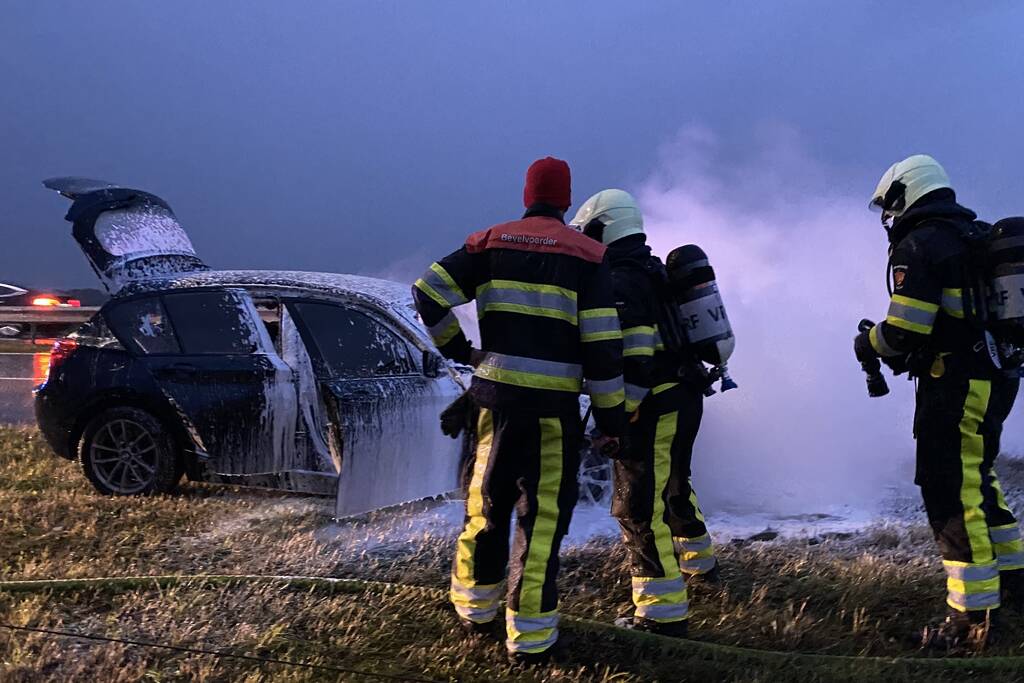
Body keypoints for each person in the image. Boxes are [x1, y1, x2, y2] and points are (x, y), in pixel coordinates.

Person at [412, 157, 626, 664]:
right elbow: (602, 345)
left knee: (484, 508)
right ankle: (529, 639)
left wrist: (459, 350)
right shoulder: (590, 257)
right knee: (543, 520)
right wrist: (612, 420)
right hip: (551, 415)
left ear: (526, 194)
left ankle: (474, 613)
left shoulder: (488, 243)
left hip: (492, 405)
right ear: (567, 201)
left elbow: (427, 291)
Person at [855, 154, 1024, 649]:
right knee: (980, 479)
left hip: (957, 382)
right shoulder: (975, 235)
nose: (889, 216)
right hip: (996, 375)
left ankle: (971, 621)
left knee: (950, 489)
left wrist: (870, 344)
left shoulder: (921, 243)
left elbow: (906, 328)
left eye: (890, 205)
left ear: (907, 194)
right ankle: (1013, 585)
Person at [570, 189, 717, 638]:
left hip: (655, 402)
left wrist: (617, 416)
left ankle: (660, 613)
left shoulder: (621, 280)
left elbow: (635, 357)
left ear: (605, 227)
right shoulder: (650, 270)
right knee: (673, 484)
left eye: (589, 232)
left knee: (637, 506)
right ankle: (699, 563)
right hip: (684, 394)